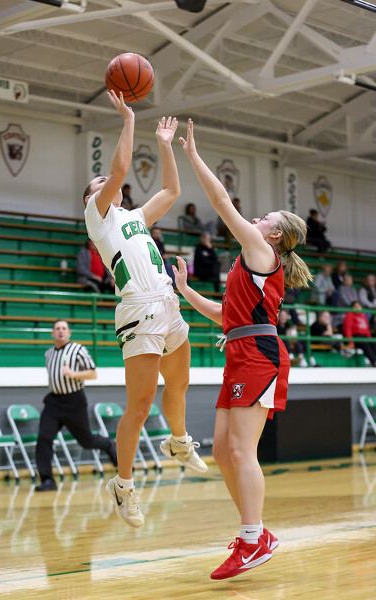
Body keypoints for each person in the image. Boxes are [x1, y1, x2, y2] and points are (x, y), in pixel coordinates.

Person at [174, 118, 312, 580]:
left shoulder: (261, 251)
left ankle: (252, 539)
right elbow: (225, 315)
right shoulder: (247, 261)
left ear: (275, 235)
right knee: (221, 449)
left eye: (266, 217)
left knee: (241, 448)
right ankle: (258, 534)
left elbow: (221, 203)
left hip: (259, 355)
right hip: (239, 350)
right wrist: (185, 291)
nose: (257, 218)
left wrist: (193, 156)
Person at [83, 93, 207, 528]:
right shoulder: (98, 218)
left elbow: (172, 190)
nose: (107, 183)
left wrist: (165, 145)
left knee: (180, 383)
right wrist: (129, 119)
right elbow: (118, 171)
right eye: (98, 183)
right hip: (138, 311)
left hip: (168, 303)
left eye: (106, 183)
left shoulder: (134, 216)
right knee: (139, 405)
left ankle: (178, 441)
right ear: (91, 198)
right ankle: (123, 485)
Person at [35, 319, 117, 491]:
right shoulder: (48, 354)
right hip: (53, 401)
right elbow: (54, 378)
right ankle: (47, 480)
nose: (61, 331)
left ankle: (109, 444)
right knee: (44, 438)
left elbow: (93, 374)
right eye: (57, 328)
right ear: (53, 333)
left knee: (86, 441)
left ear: (69, 333)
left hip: (74, 401)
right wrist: (51, 394)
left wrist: (73, 374)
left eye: (64, 328)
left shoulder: (78, 350)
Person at [343, 301, 376, 367]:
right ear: (352, 308)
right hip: (355, 337)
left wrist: (369, 339)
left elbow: (367, 329)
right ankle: (374, 361)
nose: (358, 308)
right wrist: (350, 342)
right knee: (365, 344)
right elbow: (348, 330)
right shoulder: (349, 315)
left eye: (359, 306)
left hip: (364, 337)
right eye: (356, 307)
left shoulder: (363, 316)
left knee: (373, 343)